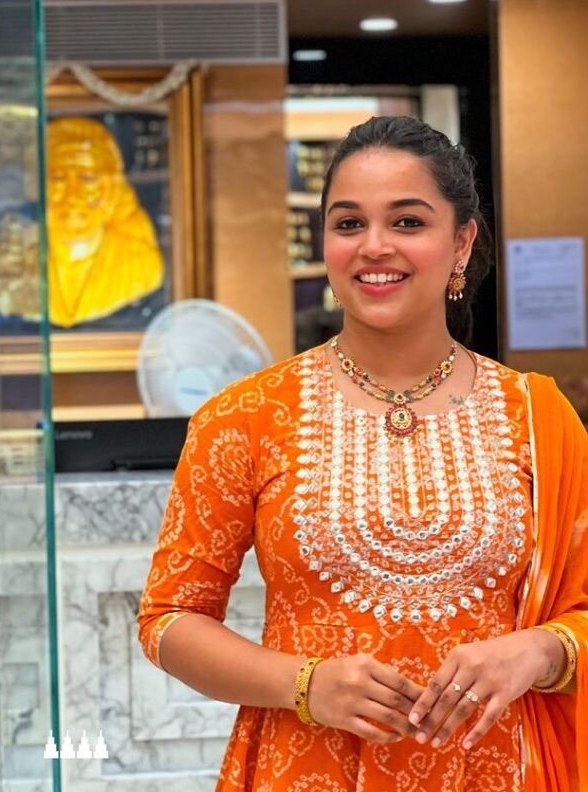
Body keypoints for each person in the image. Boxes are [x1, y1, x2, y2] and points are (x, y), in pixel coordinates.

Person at [138, 115, 587, 792]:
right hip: (309, 770)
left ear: (462, 242)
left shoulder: (539, 417)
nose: (374, 246)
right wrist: (304, 684)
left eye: (408, 222)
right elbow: (169, 619)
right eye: (349, 224)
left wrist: (539, 651)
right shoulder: (244, 417)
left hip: (499, 771)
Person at [0, 115, 165, 327]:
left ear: (113, 189)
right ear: (35, 187)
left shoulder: (140, 264)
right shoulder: (7, 257)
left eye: (88, 179)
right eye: (58, 179)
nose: (72, 196)